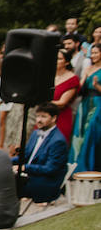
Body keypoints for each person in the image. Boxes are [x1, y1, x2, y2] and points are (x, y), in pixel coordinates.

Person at [14, 103, 70, 205]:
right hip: (30, 176)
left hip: (46, 183)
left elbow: (50, 169)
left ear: (54, 118)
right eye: (38, 116)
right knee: (1, 177)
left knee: (6, 184)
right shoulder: (36, 133)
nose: (39, 120)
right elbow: (25, 156)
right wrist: (4, 160)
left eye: (43, 117)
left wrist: (24, 168)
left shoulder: (58, 141)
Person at [74, 43, 101, 172]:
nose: (93, 55)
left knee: (91, 131)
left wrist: (97, 86)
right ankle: (77, 166)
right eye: (92, 53)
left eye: (96, 52)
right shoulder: (88, 68)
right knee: (80, 132)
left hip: (98, 103)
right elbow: (79, 88)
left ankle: (89, 165)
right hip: (84, 102)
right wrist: (83, 78)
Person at [52, 48, 81, 140]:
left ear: (67, 62)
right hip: (45, 115)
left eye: (59, 59)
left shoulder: (72, 79)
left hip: (61, 117)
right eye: (55, 58)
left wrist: (42, 101)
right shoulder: (49, 76)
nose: (56, 61)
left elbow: (62, 103)